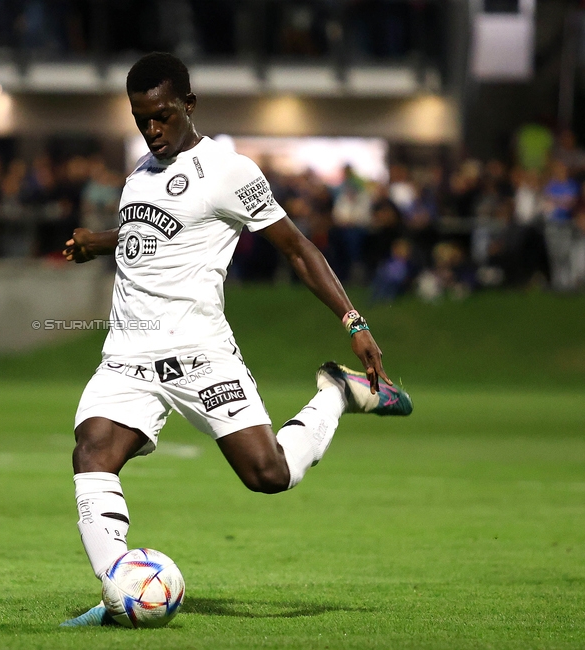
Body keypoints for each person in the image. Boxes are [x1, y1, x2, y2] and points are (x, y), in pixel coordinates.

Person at [59, 53, 413, 627]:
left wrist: (354, 321)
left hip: (202, 357)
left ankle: (337, 394)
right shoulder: (137, 179)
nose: (151, 130)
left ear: (189, 106)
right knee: (92, 455)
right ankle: (117, 595)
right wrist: (97, 242)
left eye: (162, 116)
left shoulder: (229, 172)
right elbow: (146, 235)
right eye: (140, 118)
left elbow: (299, 250)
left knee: (267, 475)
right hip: (128, 356)